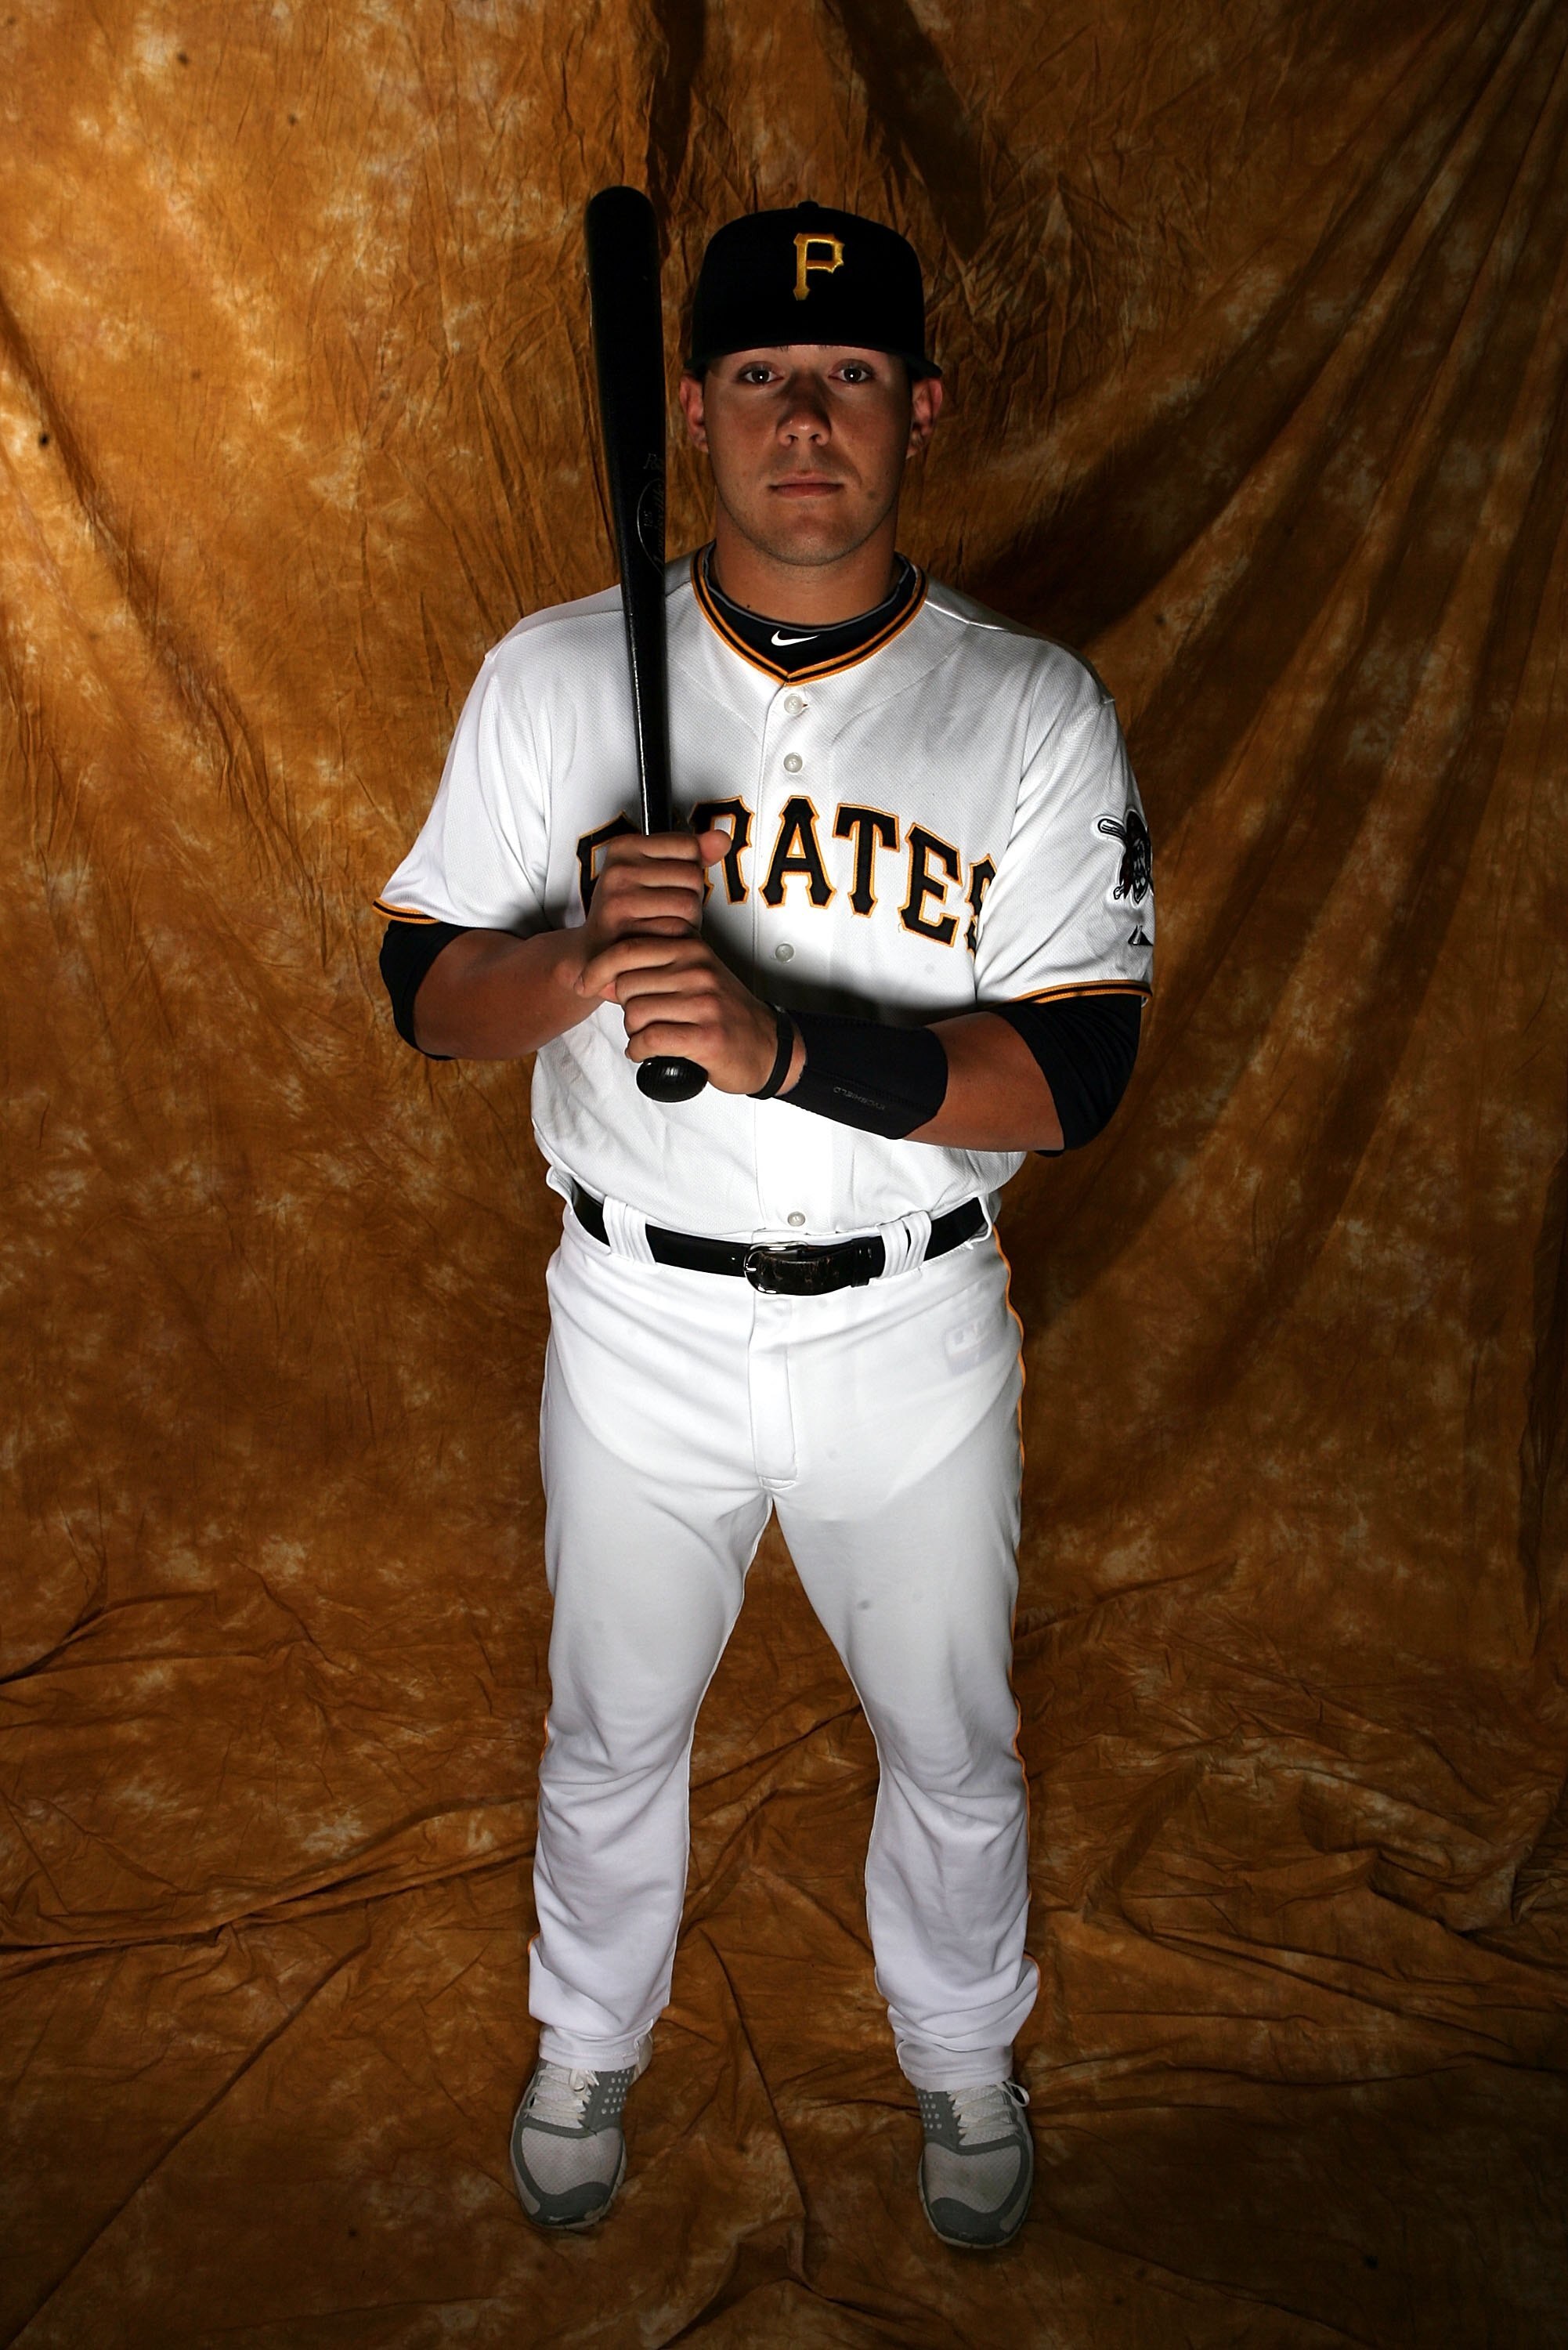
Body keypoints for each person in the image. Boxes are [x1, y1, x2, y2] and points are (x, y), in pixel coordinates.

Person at [375, 200, 1153, 2251]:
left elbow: (1073, 1074)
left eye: (849, 378)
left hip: (910, 1332)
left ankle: (962, 2058)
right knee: (612, 1730)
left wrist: (776, 1044)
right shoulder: (554, 674)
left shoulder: (1028, 706)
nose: (805, 419)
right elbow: (424, 991)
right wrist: (577, 961)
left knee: (954, 1744)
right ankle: (584, 2040)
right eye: (760, 379)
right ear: (699, 410)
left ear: (920, 409)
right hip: (634, 1324)